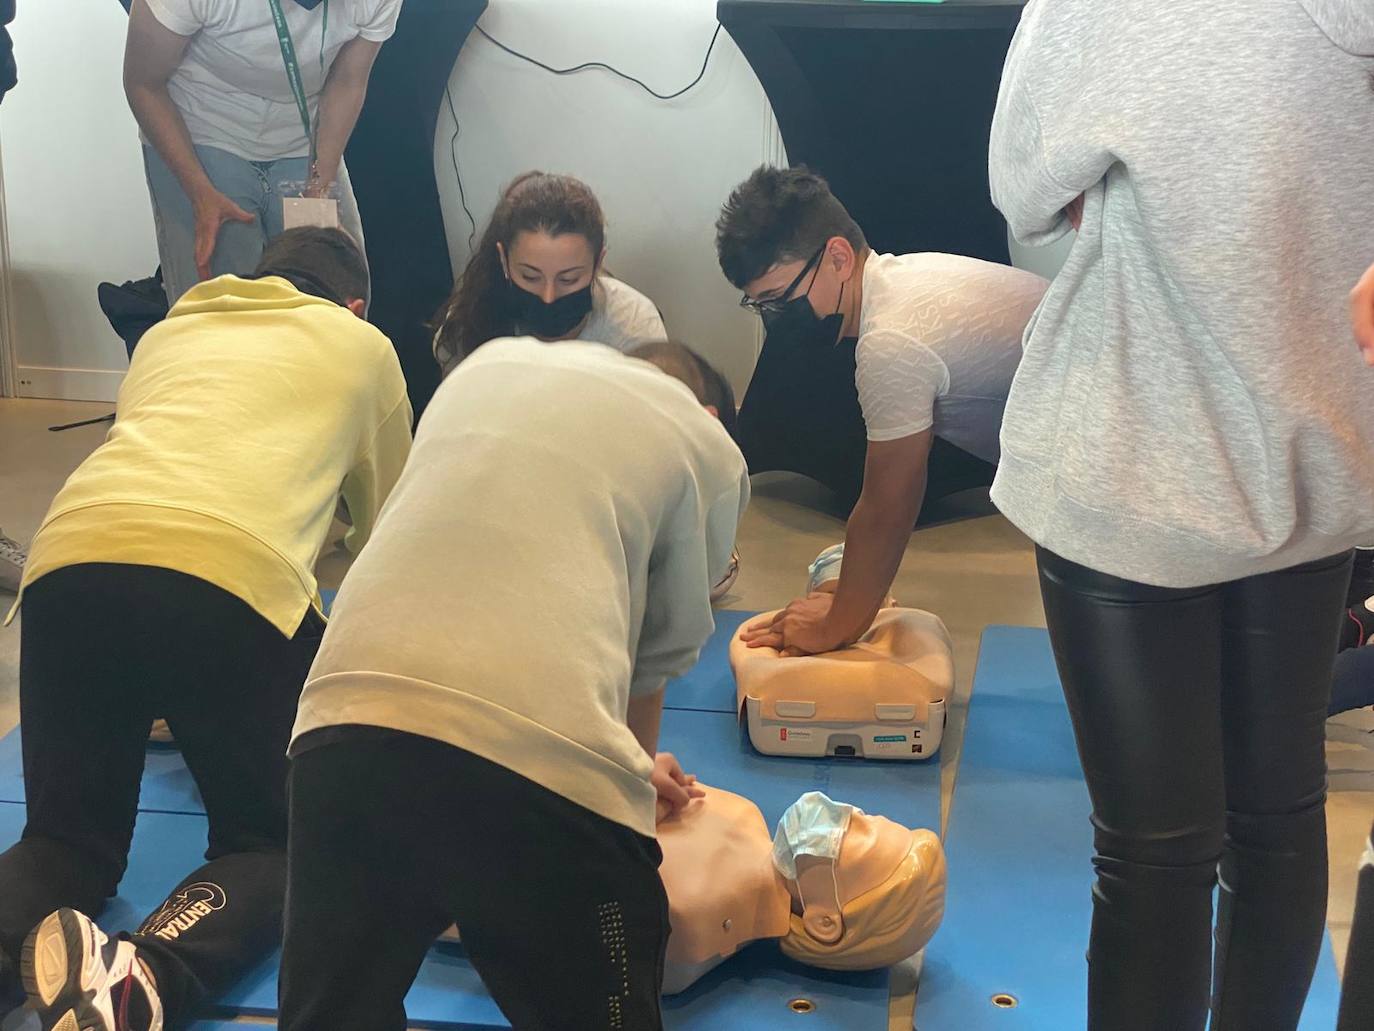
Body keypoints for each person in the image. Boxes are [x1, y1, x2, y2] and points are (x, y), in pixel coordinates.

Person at [986, 2, 1374, 1029]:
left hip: (1134, 452)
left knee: (1157, 854)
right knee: (1280, 817)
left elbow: (1021, 181)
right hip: (1316, 449)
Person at [0, 228, 412, 1031]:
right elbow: (392, 539)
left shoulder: (169, 329)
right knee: (274, 845)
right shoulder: (364, 346)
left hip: (68, 563)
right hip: (228, 582)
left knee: (64, 841)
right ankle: (143, 976)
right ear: (357, 304)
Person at [276, 338, 748, 1031]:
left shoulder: (485, 366)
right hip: (536, 775)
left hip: (340, 724)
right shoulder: (706, 444)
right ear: (710, 411)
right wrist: (625, 783)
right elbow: (659, 650)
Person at [717, 166, 1047, 656]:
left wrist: (836, 626)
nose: (774, 317)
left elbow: (888, 506)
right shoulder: (905, 280)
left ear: (838, 257)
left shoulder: (890, 340)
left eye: (780, 299)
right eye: (759, 304)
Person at [123, 0, 401, 305]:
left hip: (303, 131)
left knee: (339, 290)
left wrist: (320, 187)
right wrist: (199, 193)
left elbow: (349, 80)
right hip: (202, 126)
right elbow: (143, 83)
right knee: (223, 304)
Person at [431, 172, 667, 372]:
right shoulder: (469, 325)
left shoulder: (634, 327)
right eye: (530, 277)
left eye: (569, 279)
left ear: (597, 265)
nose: (548, 296)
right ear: (504, 260)